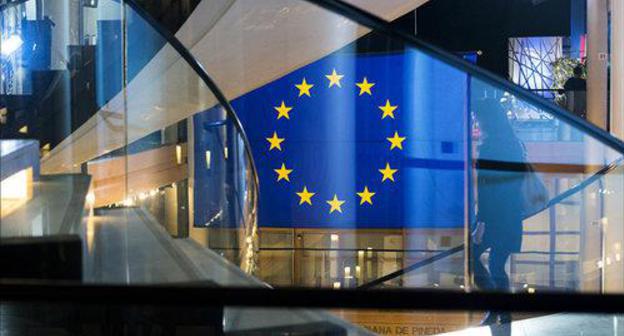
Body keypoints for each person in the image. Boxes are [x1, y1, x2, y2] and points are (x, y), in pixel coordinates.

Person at [472, 99, 525, 326]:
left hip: (494, 216)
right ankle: (502, 311)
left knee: (473, 258)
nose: (477, 121)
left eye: (479, 117)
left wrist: (480, 221)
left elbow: (486, 189)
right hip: (510, 215)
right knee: (496, 263)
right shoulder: (514, 144)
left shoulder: (489, 147)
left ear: (487, 120)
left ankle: (496, 308)